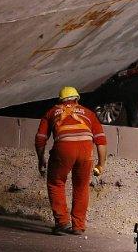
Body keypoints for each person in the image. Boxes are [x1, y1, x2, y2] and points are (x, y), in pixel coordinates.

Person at [35, 86, 107, 235]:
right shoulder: (89, 113)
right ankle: (78, 226)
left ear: (60, 100)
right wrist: (101, 163)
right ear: (77, 99)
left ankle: (62, 223)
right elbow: (101, 140)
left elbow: (40, 139)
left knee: (56, 183)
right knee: (81, 186)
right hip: (86, 149)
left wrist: (41, 159)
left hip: (63, 148)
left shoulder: (51, 112)